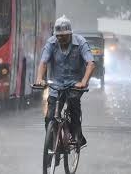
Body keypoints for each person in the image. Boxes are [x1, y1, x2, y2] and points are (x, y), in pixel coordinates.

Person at [36, 15, 95, 147]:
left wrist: (84, 82)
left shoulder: (80, 42)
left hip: (75, 85)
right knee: (50, 117)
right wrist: (40, 78)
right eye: (58, 36)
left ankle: (77, 136)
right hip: (56, 85)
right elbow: (44, 62)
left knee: (73, 105)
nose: (60, 38)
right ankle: (51, 146)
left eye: (63, 36)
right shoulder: (51, 43)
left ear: (70, 34)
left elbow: (90, 64)